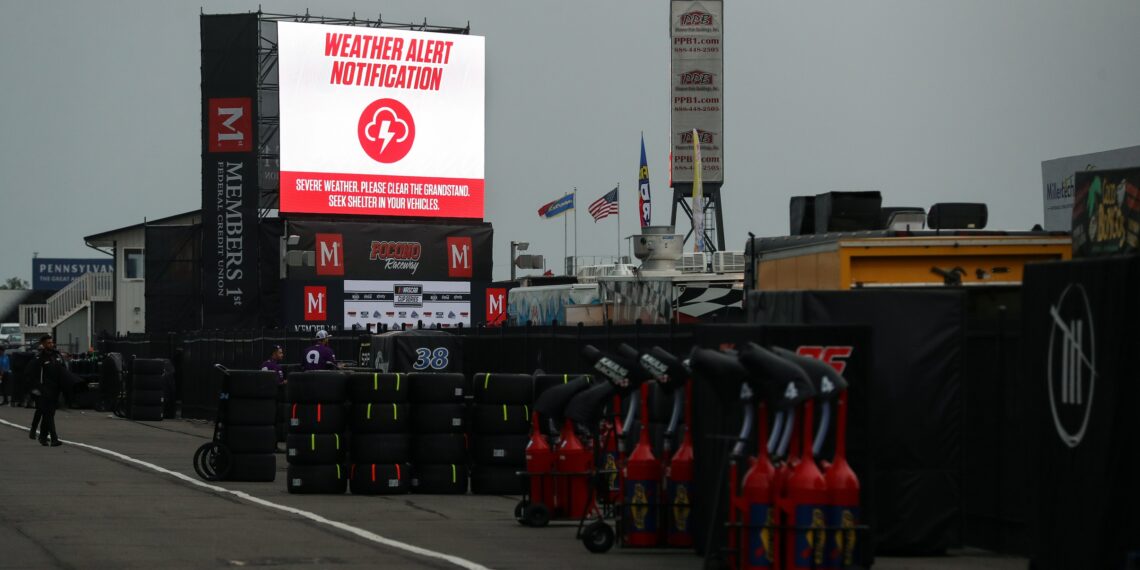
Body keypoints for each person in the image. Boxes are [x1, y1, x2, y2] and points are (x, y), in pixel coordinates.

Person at [24, 335, 64, 446]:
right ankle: (54, 438)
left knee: (48, 413)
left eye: (52, 342)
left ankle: (42, 436)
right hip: (43, 390)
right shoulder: (39, 358)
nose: (51, 344)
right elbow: (29, 374)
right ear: (43, 344)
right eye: (48, 343)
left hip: (55, 390)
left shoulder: (56, 356)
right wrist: (35, 389)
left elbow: (63, 371)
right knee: (47, 413)